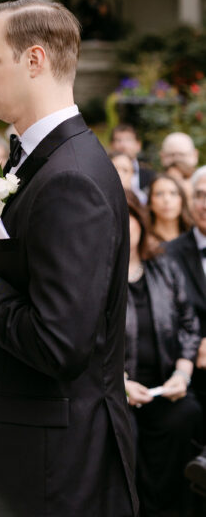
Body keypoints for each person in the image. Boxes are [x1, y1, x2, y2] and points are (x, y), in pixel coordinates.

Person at [0, 0, 137, 517]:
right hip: (33, 455)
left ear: (35, 60)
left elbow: (60, 343)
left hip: (57, 469)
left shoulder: (70, 178)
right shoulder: (43, 160)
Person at [123, 191, 201, 517]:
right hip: (118, 389)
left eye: (127, 217)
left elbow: (189, 323)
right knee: (125, 430)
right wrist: (120, 381)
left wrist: (182, 373)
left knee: (188, 414)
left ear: (140, 221)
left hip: (165, 384)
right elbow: (90, 339)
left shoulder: (163, 265)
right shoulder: (96, 275)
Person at [166, 166, 206, 423]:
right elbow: (165, 318)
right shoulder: (167, 255)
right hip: (187, 371)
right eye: (200, 195)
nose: (205, 204)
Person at [110, 123, 154, 203]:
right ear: (111, 145)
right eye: (118, 140)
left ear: (138, 145)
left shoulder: (151, 177)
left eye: (128, 140)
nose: (123, 145)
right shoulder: (102, 174)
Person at [147, 174, 192, 243]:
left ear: (182, 200)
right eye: (159, 194)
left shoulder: (195, 235)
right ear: (150, 201)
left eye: (173, 193)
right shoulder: (143, 239)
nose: (166, 199)